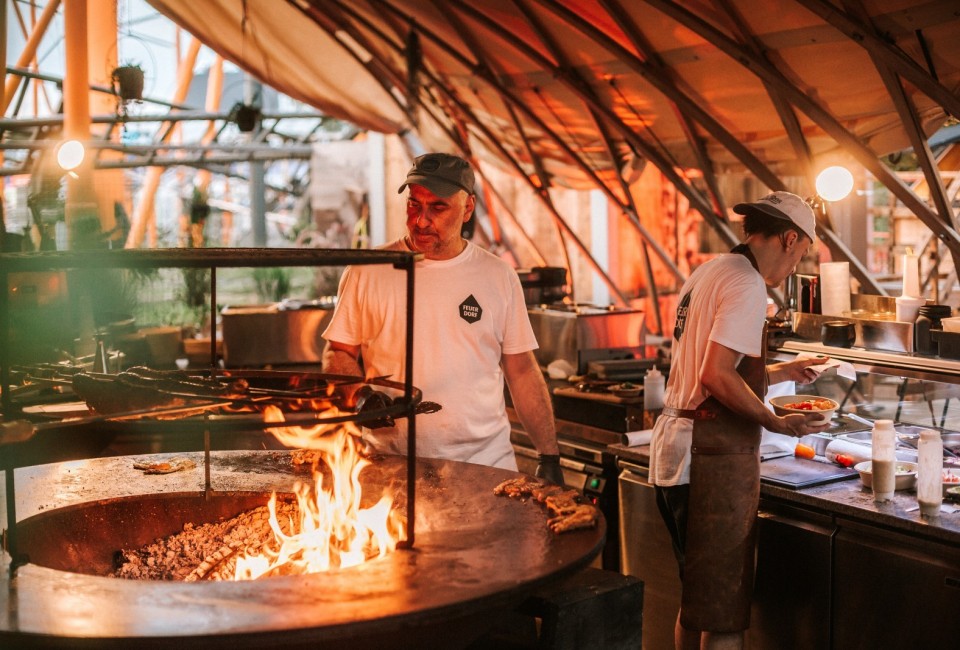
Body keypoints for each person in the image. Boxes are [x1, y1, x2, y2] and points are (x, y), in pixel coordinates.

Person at [648, 191, 832, 650]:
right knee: (724, 612)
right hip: (707, 457)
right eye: (801, 255)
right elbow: (714, 376)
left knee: (697, 603)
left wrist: (783, 371)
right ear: (790, 239)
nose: (794, 268)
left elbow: (709, 368)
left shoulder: (710, 271)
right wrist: (776, 421)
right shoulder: (748, 285)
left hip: (677, 449)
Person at [321, 152, 563, 484]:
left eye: (437, 208)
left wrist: (548, 454)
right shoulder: (368, 270)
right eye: (413, 205)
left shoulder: (498, 276)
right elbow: (338, 352)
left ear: (467, 208)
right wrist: (359, 396)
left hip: (486, 468)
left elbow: (521, 370)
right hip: (393, 468)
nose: (420, 220)